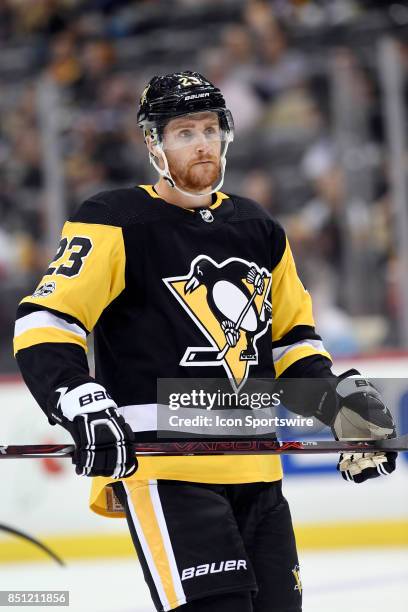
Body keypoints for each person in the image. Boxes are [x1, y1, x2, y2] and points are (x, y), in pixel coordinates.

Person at [14, 71, 396, 612]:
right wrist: (80, 400)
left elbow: (291, 346)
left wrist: (340, 405)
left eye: (211, 129)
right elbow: (46, 322)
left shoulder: (260, 228)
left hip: (258, 468)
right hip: (170, 471)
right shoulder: (115, 220)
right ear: (154, 143)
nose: (202, 144)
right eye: (184, 132)